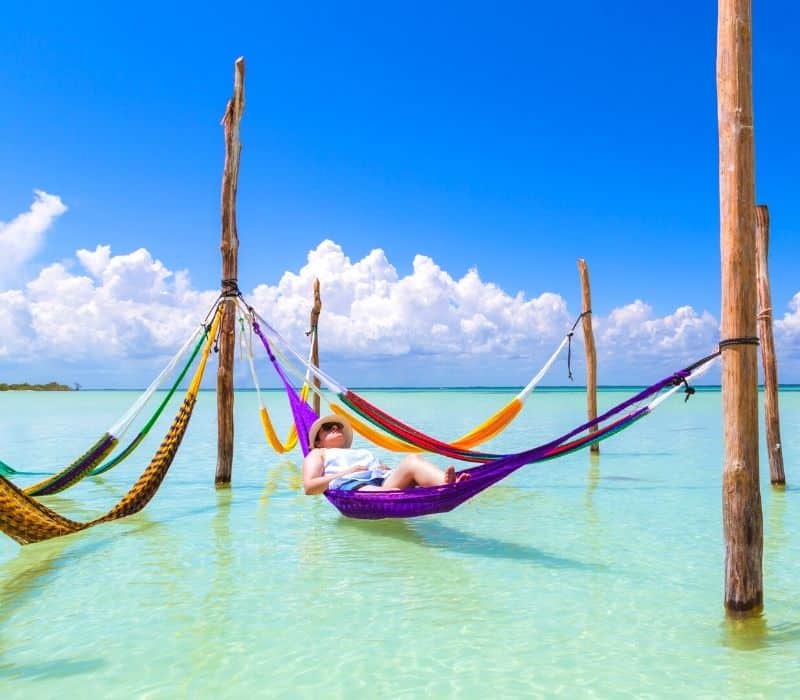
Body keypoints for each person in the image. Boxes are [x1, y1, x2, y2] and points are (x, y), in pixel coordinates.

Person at [302, 414, 468, 494]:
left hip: (383, 480)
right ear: (317, 442)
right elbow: (309, 487)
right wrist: (347, 472)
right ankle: (397, 497)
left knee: (412, 459)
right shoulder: (318, 453)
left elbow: (384, 473)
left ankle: (446, 485)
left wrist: (384, 468)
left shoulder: (360, 451)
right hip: (351, 487)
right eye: (328, 427)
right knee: (391, 493)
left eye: (337, 426)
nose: (335, 428)